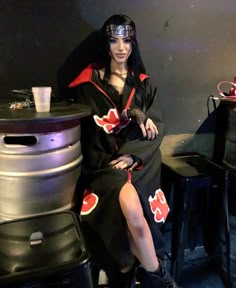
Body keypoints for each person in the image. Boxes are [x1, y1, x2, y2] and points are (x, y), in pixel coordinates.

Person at [68, 14, 179, 288]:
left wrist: (133, 154)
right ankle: (159, 278)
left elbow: (158, 127)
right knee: (130, 208)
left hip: (141, 162)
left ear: (133, 44)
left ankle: (130, 273)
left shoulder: (143, 83)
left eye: (126, 40)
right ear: (106, 45)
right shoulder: (88, 86)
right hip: (106, 165)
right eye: (114, 40)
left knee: (134, 213)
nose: (121, 47)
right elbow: (89, 134)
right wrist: (116, 154)